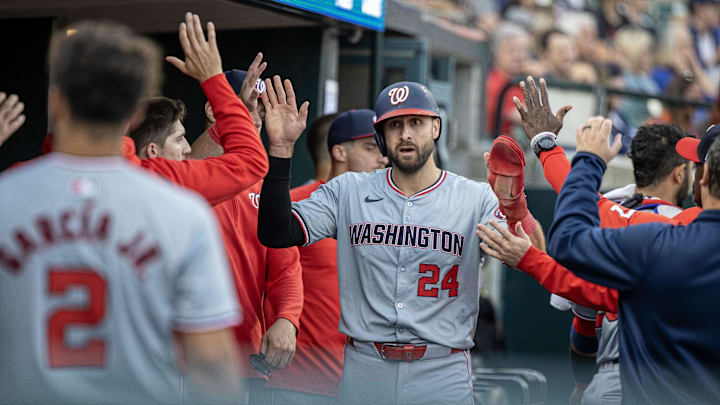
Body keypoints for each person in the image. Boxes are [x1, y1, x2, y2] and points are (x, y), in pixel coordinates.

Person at [256, 78, 545, 404]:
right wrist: (280, 151)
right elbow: (276, 232)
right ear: (381, 136)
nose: (405, 134)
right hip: (366, 365)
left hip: (441, 367)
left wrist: (515, 205)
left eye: (416, 122)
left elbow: (535, 258)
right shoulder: (349, 190)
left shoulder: (473, 197)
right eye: (394, 125)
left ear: (436, 127)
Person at [0, 19, 242, 403]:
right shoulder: (181, 211)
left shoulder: (6, 196)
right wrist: (214, 79)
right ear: (133, 113)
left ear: (57, 100)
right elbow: (212, 364)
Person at [133, 67, 303, 405]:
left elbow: (285, 265)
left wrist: (287, 319)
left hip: (244, 355)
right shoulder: (184, 172)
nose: (259, 117)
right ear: (216, 110)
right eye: (252, 106)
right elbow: (200, 162)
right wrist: (231, 114)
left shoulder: (268, 186)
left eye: (265, 108)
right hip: (183, 353)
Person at [545, 114, 720, 404]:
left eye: (698, 165)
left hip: (630, 381)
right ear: (680, 174)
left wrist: (579, 157)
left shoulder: (663, 235)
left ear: (704, 175)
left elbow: (571, 245)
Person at [265, 109, 388, 404]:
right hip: (300, 382)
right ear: (339, 152)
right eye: (371, 148)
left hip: (366, 383)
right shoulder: (297, 204)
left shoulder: (386, 214)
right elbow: (271, 279)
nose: (382, 159)